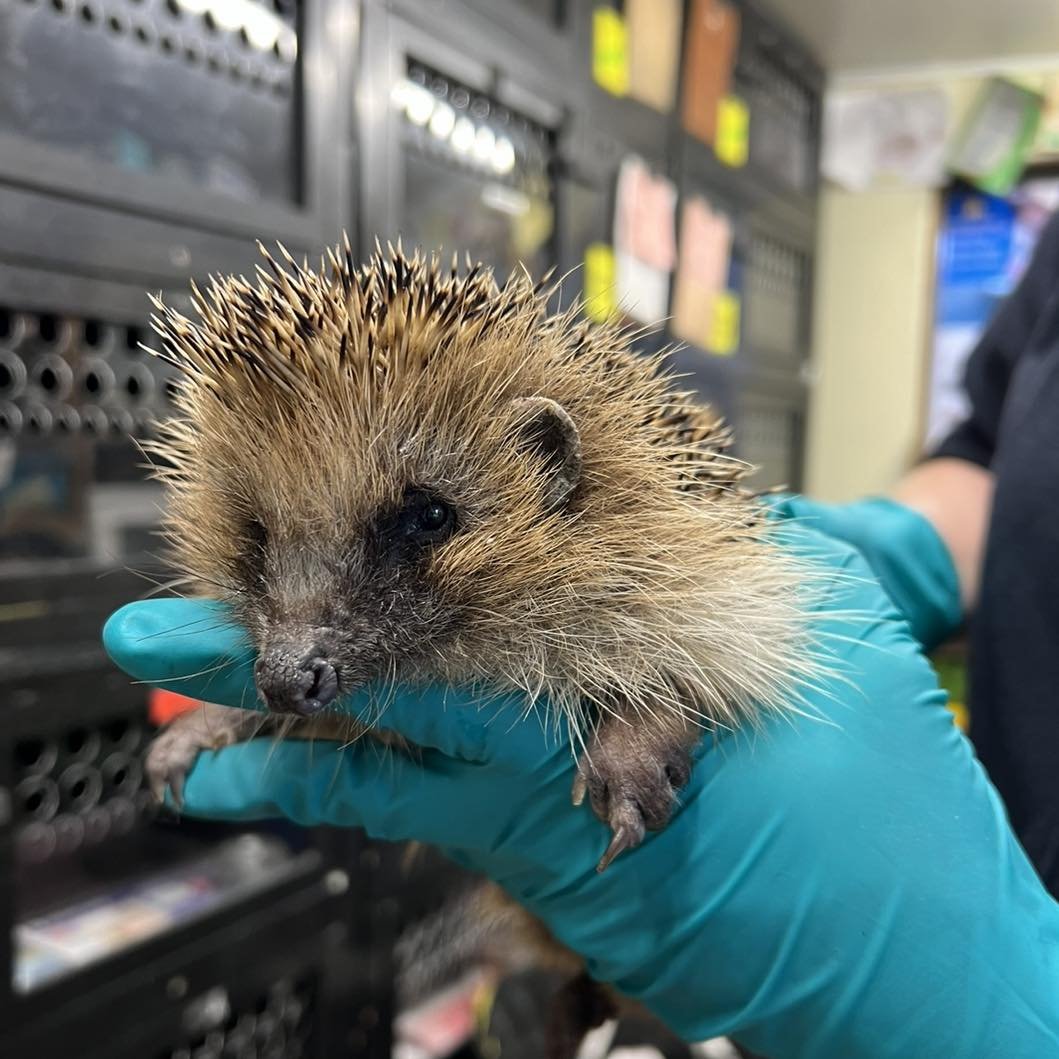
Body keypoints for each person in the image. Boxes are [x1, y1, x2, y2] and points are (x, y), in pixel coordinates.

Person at [102, 215, 1059, 1058]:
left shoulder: (628, 570)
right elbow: (982, 458)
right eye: (263, 540)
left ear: (550, 468)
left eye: (421, 522)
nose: (292, 647)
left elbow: (697, 649)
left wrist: (652, 709)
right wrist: (914, 554)